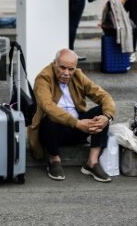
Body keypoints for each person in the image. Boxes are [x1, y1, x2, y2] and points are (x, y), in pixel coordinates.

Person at [30, 49, 116, 183]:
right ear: (54, 64)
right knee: (49, 119)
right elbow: (48, 106)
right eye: (62, 68)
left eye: (70, 69)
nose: (66, 73)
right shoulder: (43, 78)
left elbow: (104, 96)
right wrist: (77, 123)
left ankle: (92, 162)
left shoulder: (78, 75)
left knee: (101, 114)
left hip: (77, 129)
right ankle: (54, 159)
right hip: (53, 132)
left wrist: (107, 116)